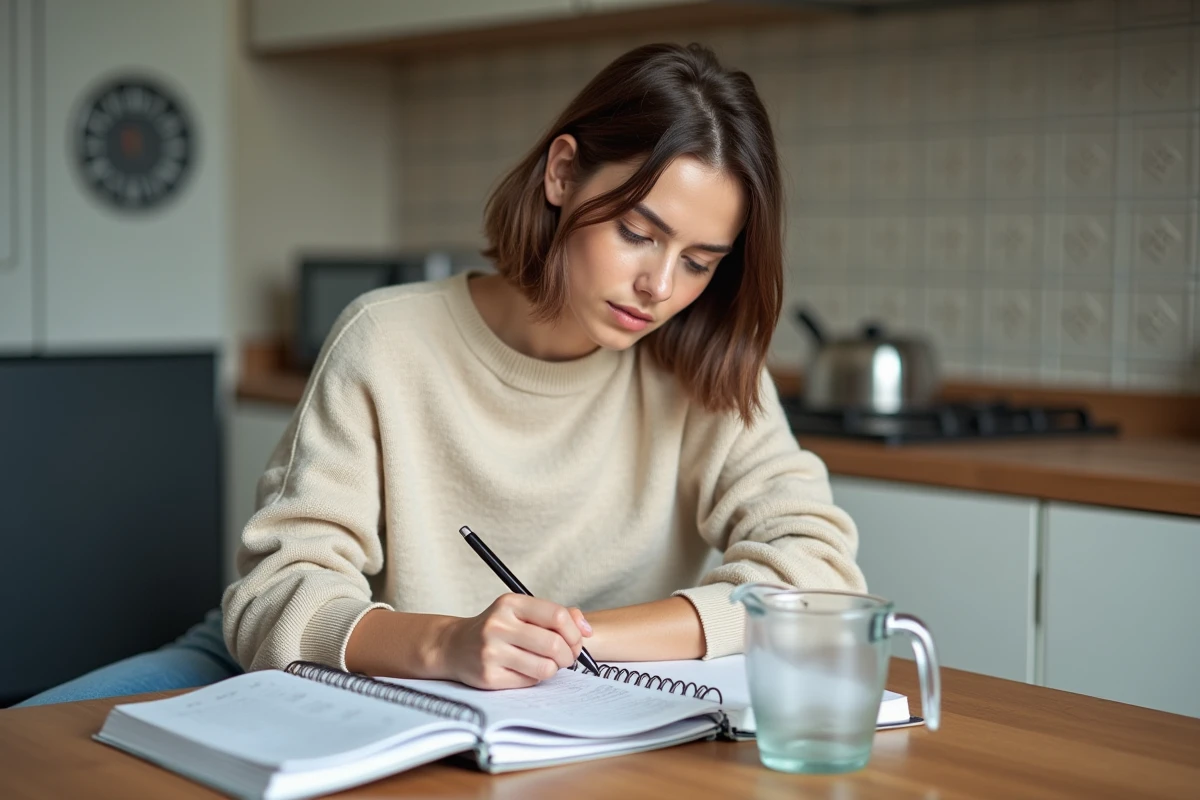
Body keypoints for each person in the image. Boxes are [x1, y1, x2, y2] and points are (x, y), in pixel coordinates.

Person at [14, 41, 865, 706]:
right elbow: (275, 598)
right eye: (639, 233)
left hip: (554, 705)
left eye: (701, 261)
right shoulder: (389, 339)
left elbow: (820, 574)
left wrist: (582, 640)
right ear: (563, 174)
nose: (661, 286)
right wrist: (449, 644)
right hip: (302, 673)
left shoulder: (704, 366)